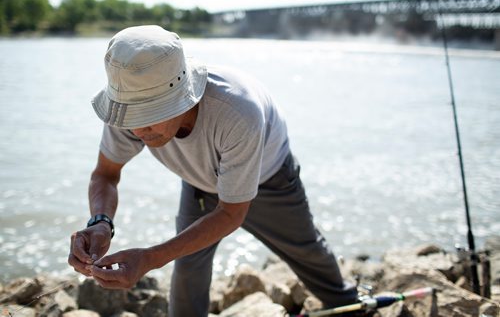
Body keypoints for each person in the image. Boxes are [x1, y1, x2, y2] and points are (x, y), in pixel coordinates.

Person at [68, 25, 358, 316]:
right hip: (199, 179)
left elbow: (231, 213)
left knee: (306, 251)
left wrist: (150, 258)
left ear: (183, 98)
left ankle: (350, 305)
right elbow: (105, 175)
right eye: (132, 116)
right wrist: (100, 222)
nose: (138, 128)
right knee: (187, 266)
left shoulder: (238, 112)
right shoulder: (127, 110)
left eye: (150, 115)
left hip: (268, 175)